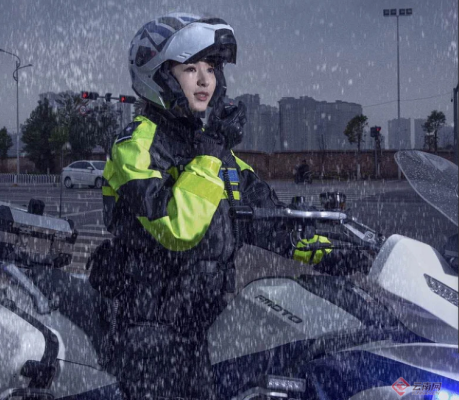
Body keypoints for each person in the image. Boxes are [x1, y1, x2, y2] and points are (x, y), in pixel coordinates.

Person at [87, 13, 332, 399]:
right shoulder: (135, 145)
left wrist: (331, 251)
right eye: (190, 69)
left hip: (206, 324)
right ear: (160, 77)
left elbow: (268, 219)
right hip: (146, 330)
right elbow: (177, 228)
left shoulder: (215, 154)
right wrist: (210, 155)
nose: (205, 80)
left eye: (211, 69)